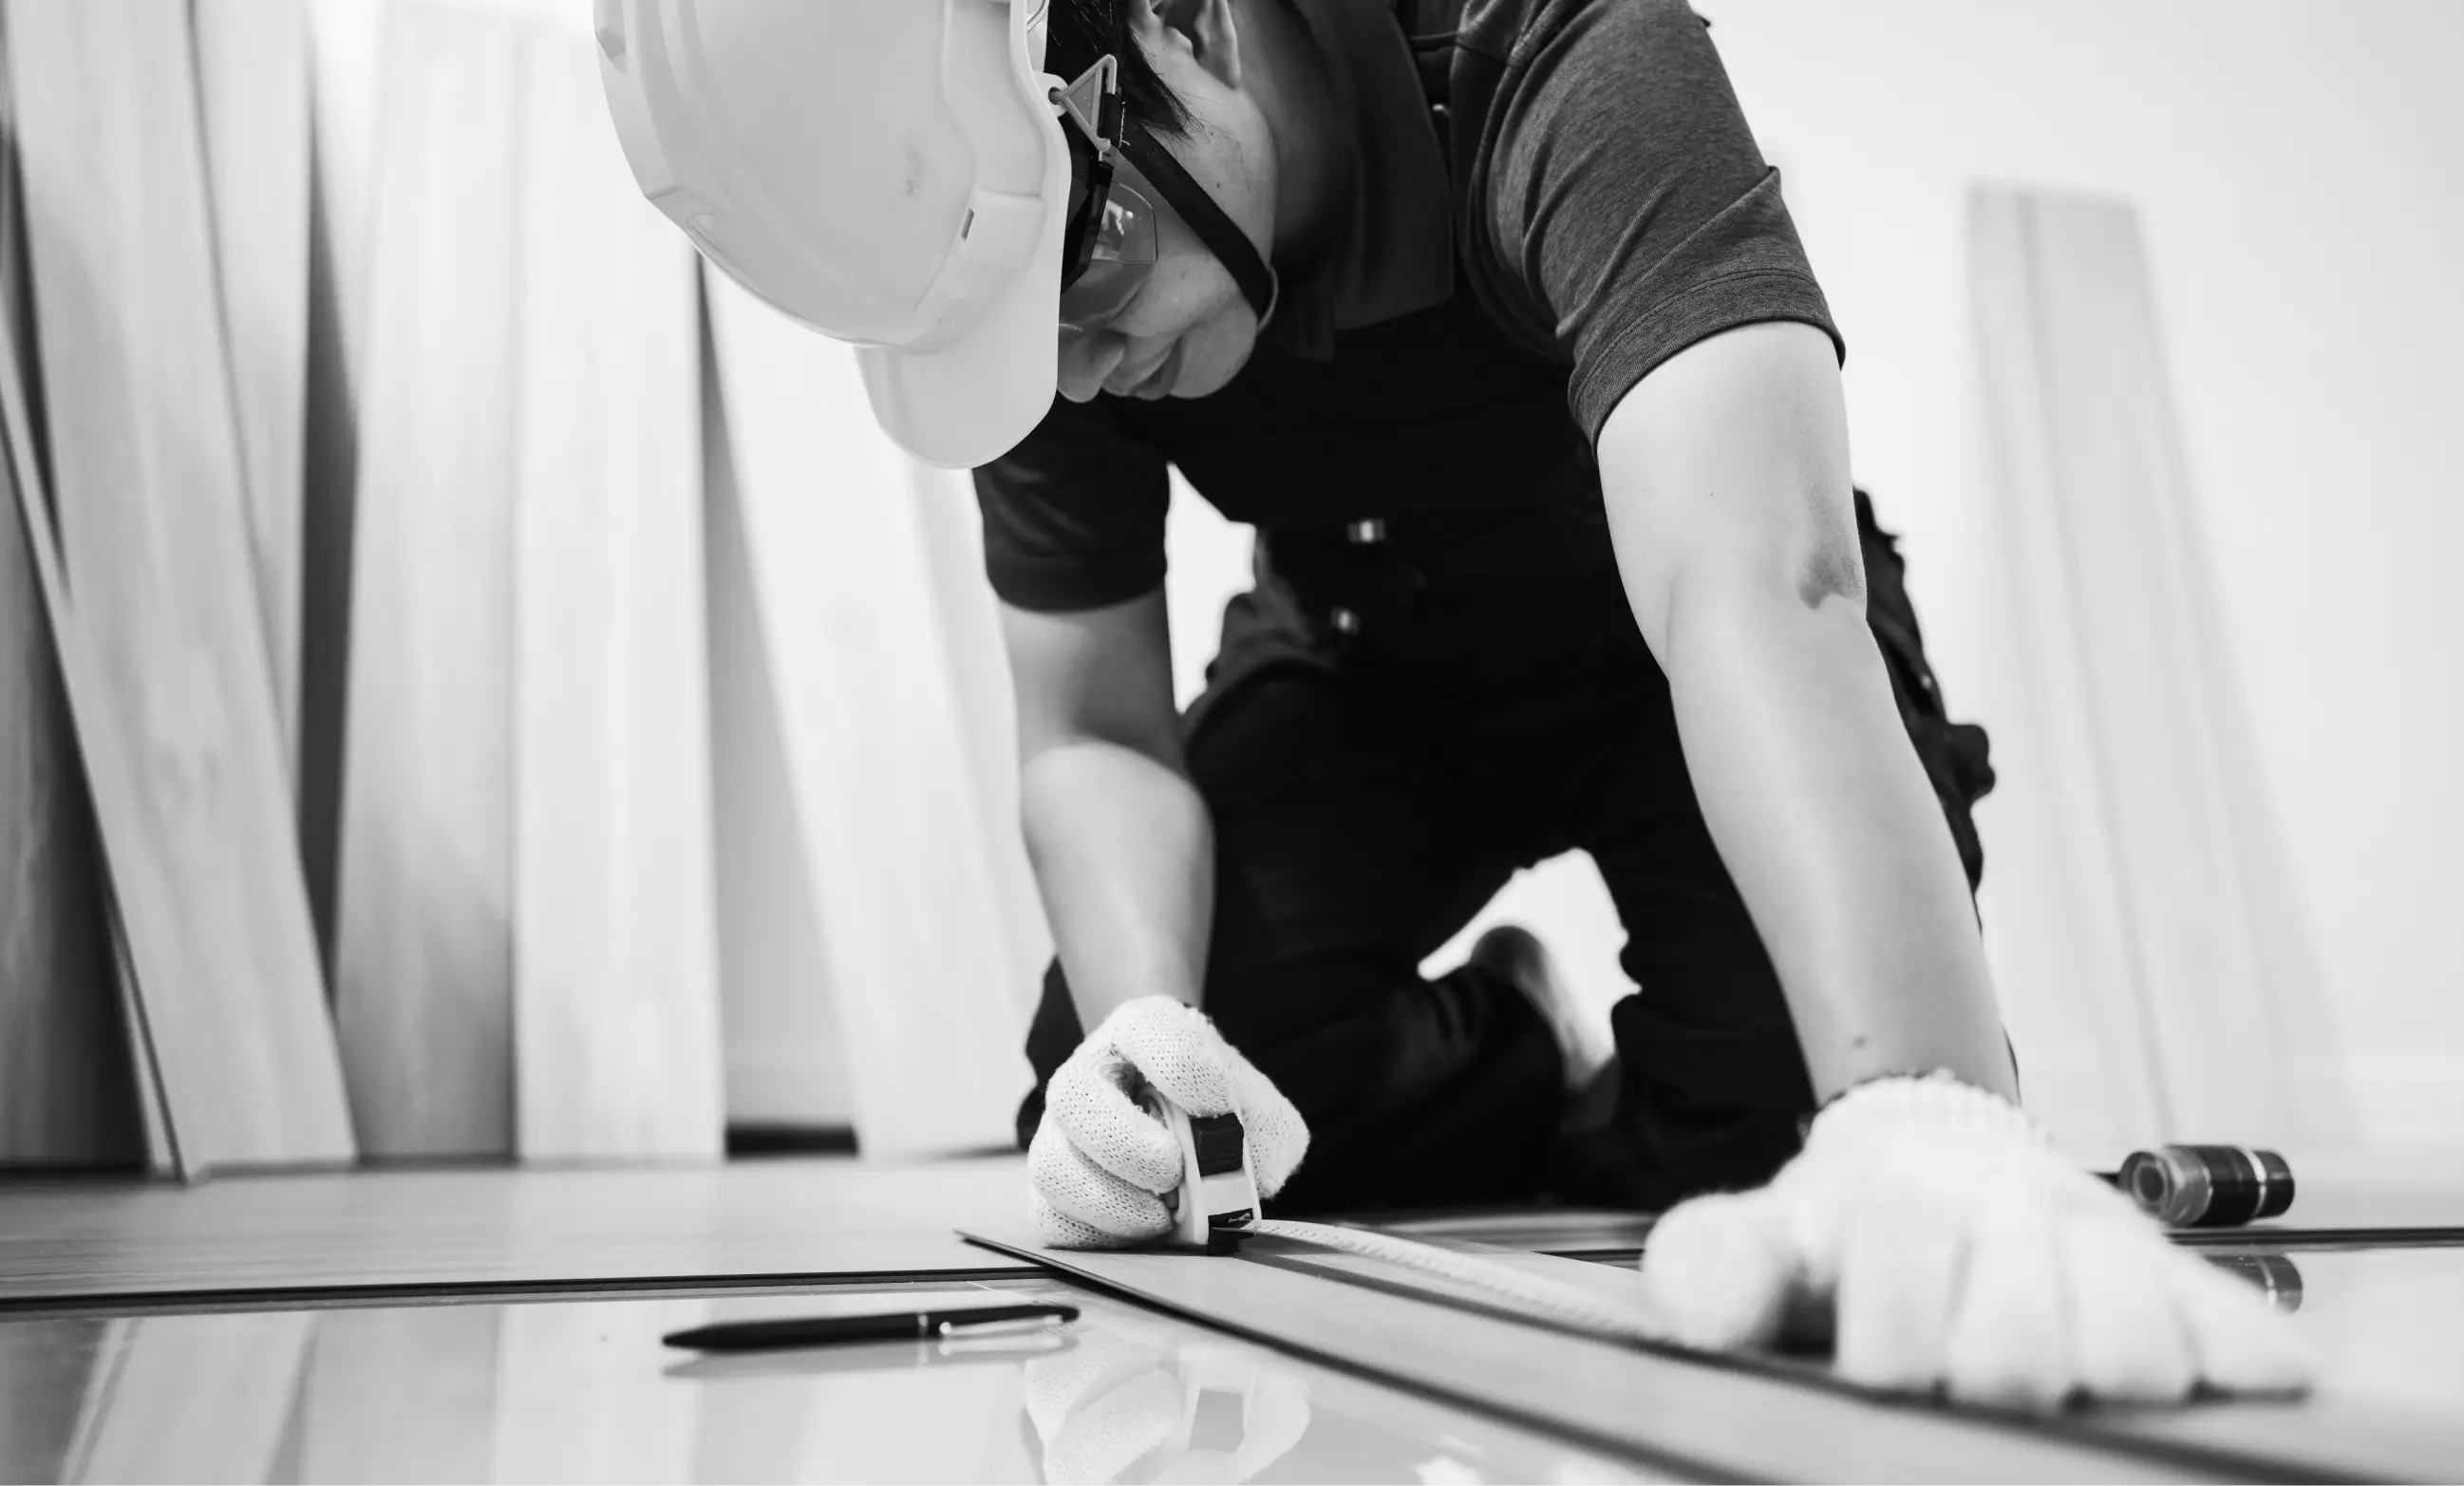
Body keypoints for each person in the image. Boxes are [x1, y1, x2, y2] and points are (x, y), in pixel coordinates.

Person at [606, 0, 2311, 1409]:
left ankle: (1690, 1101)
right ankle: (1515, 1044)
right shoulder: (1019, 250)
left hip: (1672, 645)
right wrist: (1148, 1033)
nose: (1072, 375)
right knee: (1153, 1127)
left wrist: (1923, 1108)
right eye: (1010, 340)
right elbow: (1093, 734)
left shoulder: (1563, 59)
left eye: (1077, 296)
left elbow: (1750, 581)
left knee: (1798, 1139)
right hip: (1366, 661)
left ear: (1178, 33)